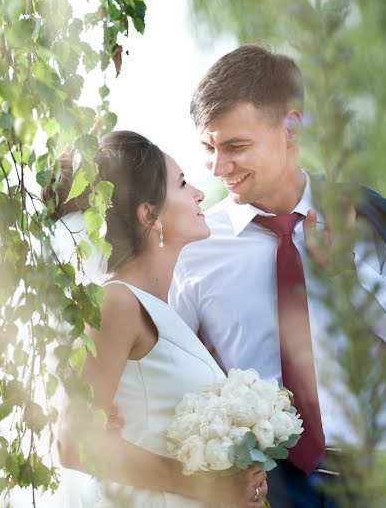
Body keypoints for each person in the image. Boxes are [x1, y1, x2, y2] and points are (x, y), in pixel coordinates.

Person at [170, 46, 386, 507]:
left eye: (236, 147)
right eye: (209, 148)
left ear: (291, 127)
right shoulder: (193, 248)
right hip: (265, 491)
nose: (219, 169)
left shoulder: (365, 227)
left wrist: (355, 274)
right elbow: (168, 377)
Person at [51, 131, 269, 508]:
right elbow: (75, 442)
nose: (200, 193)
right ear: (149, 214)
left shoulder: (165, 313)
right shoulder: (115, 301)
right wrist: (201, 485)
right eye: (183, 184)